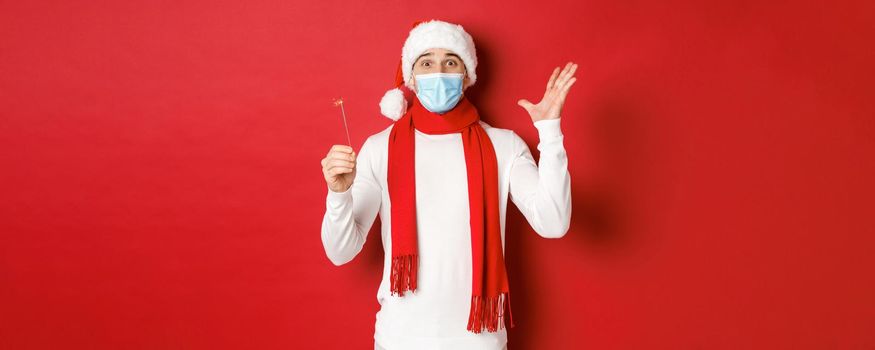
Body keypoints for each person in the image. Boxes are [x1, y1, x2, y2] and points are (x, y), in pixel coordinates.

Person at [320, 19, 576, 350]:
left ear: (467, 76)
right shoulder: (379, 147)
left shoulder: (504, 145)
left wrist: (550, 133)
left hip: (479, 342)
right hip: (399, 339)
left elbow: (553, 223)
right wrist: (338, 195)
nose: (438, 72)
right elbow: (341, 252)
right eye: (426, 62)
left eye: (450, 62)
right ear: (411, 78)